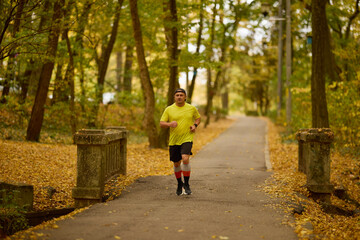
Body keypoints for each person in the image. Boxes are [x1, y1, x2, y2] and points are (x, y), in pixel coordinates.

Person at [160, 88, 201, 195]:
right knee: (176, 163)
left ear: (185, 97)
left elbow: (198, 118)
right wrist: (169, 124)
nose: (179, 97)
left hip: (187, 137)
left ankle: (186, 184)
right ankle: (179, 183)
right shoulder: (169, 109)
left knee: (185, 158)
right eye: (177, 95)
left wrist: (194, 125)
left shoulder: (191, 108)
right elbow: (161, 123)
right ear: (174, 97)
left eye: (181, 95)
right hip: (174, 140)